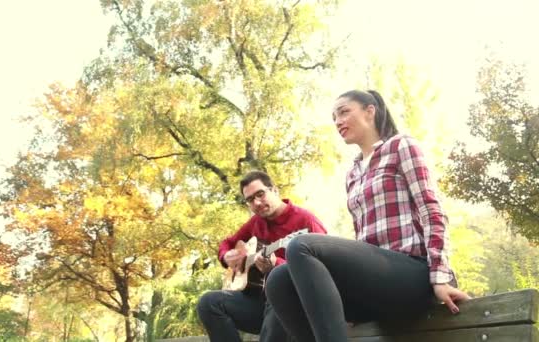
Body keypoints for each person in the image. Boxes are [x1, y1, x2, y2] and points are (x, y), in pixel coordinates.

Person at [264, 90, 471, 342]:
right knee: (278, 279)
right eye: (334, 117)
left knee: (301, 246)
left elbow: (432, 211)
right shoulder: (353, 172)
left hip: (413, 275)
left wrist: (440, 277)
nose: (338, 121)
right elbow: (363, 242)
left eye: (344, 112)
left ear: (370, 111)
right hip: (377, 286)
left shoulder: (400, 145)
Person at [197, 171, 328, 342]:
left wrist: (277, 265)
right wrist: (226, 256)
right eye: (250, 200)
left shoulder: (306, 221)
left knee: (278, 291)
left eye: (260, 194)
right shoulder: (256, 223)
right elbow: (227, 243)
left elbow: (323, 270)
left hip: (296, 307)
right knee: (208, 303)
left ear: (274, 190)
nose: (257, 203)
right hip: (260, 304)